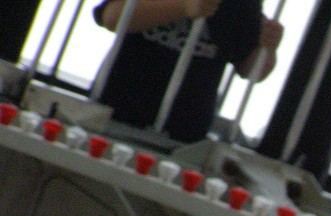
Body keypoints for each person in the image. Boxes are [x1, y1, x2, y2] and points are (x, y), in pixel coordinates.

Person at [92, 0, 283, 142]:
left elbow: (250, 70)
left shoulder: (242, 4)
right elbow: (112, 16)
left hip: (186, 136)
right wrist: (183, 6)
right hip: (113, 113)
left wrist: (267, 49)